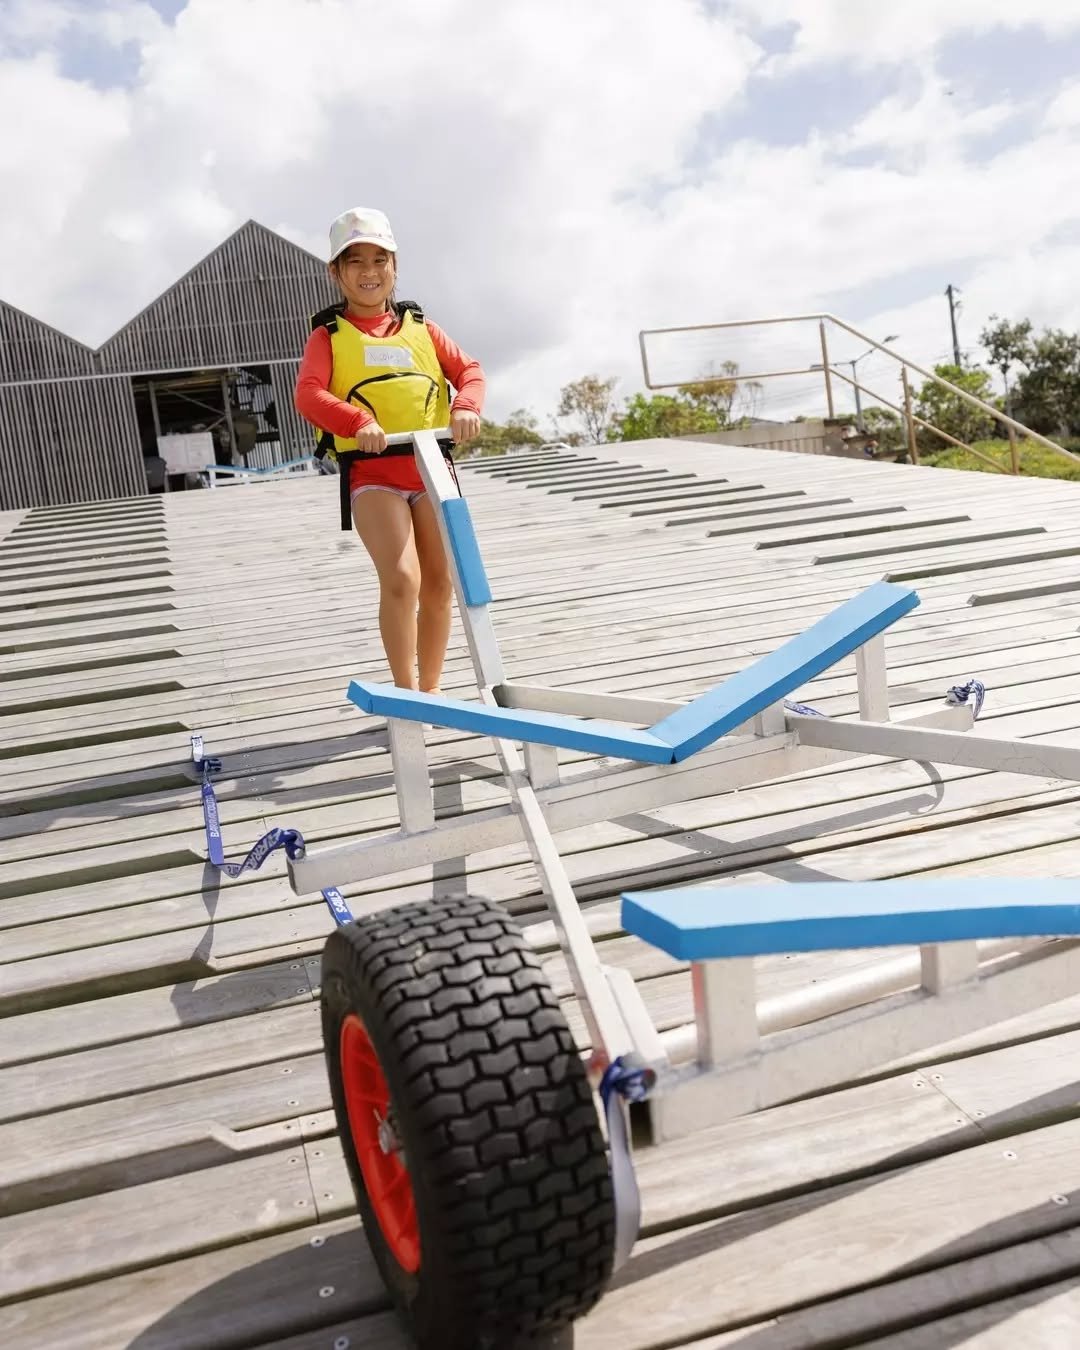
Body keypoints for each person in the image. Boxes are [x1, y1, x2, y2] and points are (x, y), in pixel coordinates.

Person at [295, 207, 485, 695]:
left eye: (380, 259)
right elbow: (309, 394)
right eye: (355, 261)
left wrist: (465, 406)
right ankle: (405, 692)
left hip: (431, 467)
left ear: (394, 266)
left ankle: (431, 692)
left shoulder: (422, 328)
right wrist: (358, 422)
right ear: (335, 272)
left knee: (441, 582)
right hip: (374, 473)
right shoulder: (327, 336)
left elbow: (470, 372)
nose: (369, 271)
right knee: (403, 578)